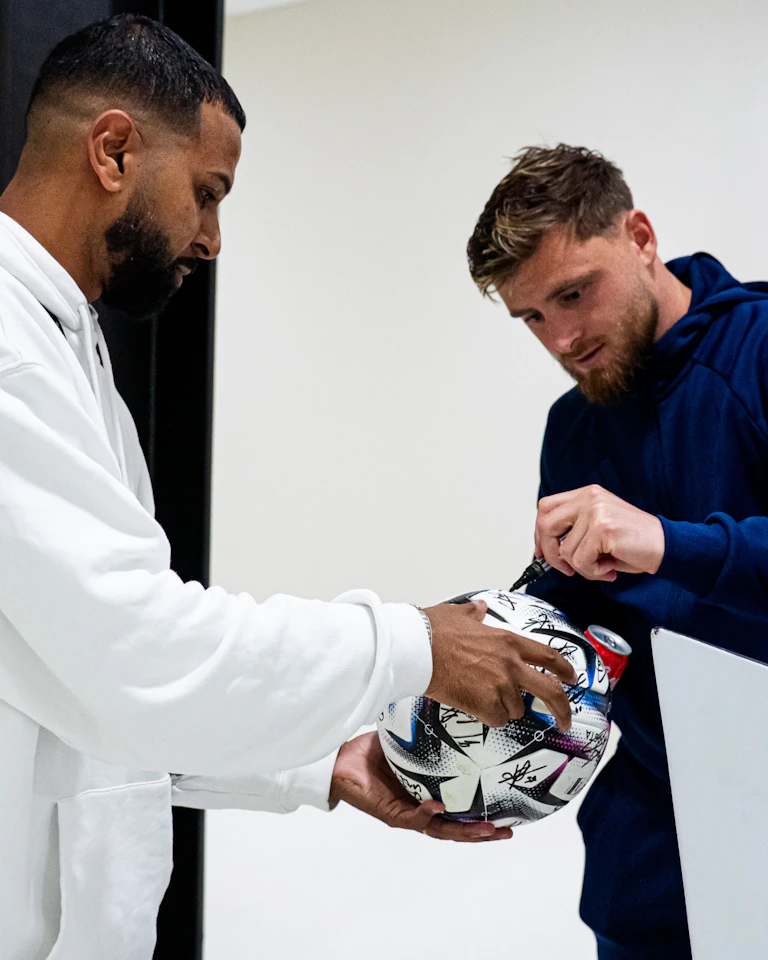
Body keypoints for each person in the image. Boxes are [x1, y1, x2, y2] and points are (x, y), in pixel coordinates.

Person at [0, 17, 579, 960]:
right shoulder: (11, 351)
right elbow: (141, 655)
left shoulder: (64, 343)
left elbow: (88, 695)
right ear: (112, 150)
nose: (213, 238)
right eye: (206, 193)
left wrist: (326, 765)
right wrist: (412, 645)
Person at [468, 143, 768, 960]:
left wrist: (670, 544)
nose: (561, 337)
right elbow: (581, 620)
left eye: (574, 293)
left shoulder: (760, 352)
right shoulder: (573, 428)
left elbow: (672, 558)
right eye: (531, 317)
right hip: (649, 855)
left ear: (640, 236)